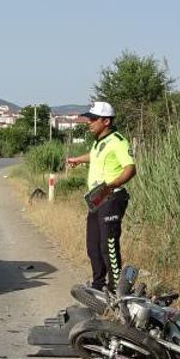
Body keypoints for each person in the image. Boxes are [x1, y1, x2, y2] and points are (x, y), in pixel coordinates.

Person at [66, 102, 136, 292]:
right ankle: (98, 286)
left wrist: (112, 184)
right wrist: (78, 160)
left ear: (106, 121)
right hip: (97, 199)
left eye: (93, 119)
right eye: (89, 118)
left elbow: (130, 168)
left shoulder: (118, 141)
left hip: (112, 197)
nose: (89, 122)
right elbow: (94, 156)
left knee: (108, 245)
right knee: (93, 247)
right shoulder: (99, 142)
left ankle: (116, 291)